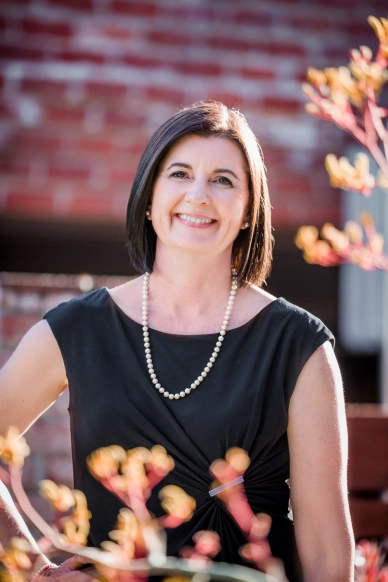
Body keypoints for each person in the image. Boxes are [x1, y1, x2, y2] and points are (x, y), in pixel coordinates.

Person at [0, 101, 354, 582]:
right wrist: (36, 572)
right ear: (149, 196)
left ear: (250, 211)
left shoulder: (300, 347)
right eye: (180, 173)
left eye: (223, 180)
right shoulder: (76, 330)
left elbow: (328, 558)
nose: (199, 195)